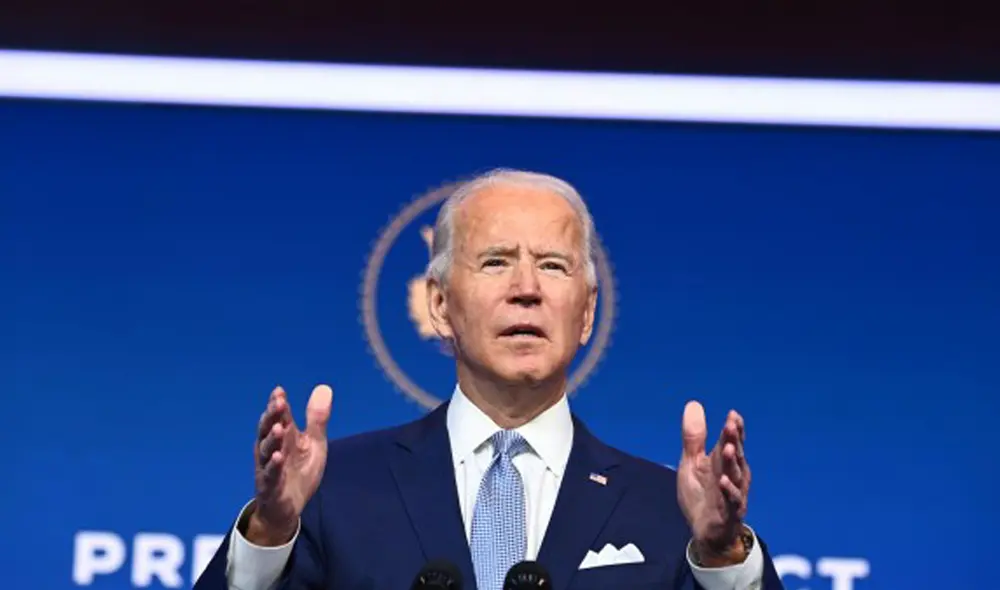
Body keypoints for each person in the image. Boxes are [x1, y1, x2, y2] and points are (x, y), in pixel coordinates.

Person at [194, 168, 784, 590]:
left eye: (552, 266)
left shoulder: (674, 512)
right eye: (496, 262)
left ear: (586, 313)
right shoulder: (332, 491)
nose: (526, 288)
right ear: (441, 305)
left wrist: (722, 556)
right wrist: (271, 531)